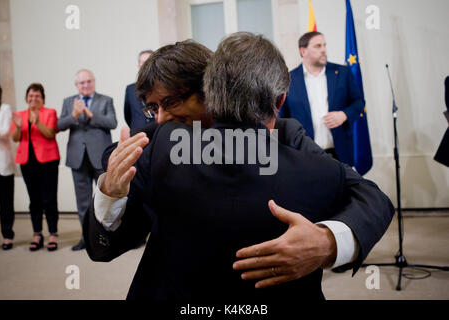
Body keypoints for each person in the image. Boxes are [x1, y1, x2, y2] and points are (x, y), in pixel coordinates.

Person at [85, 34, 394, 300]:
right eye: (152, 108)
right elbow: (104, 247)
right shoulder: (157, 143)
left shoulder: (284, 134)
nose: (161, 118)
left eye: (171, 102)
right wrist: (110, 193)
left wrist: (327, 241)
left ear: (210, 90)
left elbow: (369, 196)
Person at [278, 31, 364, 167]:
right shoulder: (289, 80)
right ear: (303, 51)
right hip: (304, 155)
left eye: (324, 45)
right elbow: (282, 118)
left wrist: (344, 115)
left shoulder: (342, 73)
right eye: (317, 46)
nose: (323, 50)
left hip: (340, 153)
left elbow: (359, 102)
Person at [58, 69, 117, 251]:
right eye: (81, 83)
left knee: (104, 200)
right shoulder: (69, 102)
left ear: (94, 82)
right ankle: (86, 238)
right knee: (82, 202)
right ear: (76, 85)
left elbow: (112, 123)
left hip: (99, 156)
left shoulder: (105, 100)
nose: (85, 85)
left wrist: (90, 114)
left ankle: (107, 237)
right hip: (77, 158)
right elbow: (59, 125)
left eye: (88, 81)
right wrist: (74, 115)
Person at [11, 83, 60, 251]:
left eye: (37, 96)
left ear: (42, 98)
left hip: (48, 161)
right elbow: (15, 138)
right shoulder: (19, 115)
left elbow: (50, 133)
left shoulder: (50, 112)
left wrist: (37, 122)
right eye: (31, 96)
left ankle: (53, 233)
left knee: (49, 198)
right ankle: (37, 233)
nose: (34, 99)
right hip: (27, 162)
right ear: (26, 98)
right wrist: (18, 127)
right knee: (35, 200)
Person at [0, 84, 15, 250]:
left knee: (5, 203)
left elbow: (4, 132)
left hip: (2, 163)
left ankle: (7, 235)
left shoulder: (5, 108)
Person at [124, 50, 155, 130]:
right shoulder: (130, 89)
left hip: (158, 132)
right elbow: (128, 115)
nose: (145, 65)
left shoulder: (162, 87)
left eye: (148, 62)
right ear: (139, 65)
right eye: (143, 62)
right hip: (138, 133)